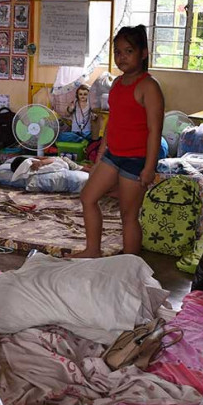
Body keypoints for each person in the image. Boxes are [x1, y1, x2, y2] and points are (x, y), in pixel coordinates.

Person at [71, 25, 164, 258]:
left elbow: (155, 131)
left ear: (143, 53)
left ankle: (129, 265)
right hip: (113, 156)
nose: (122, 57)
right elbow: (112, 122)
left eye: (128, 51)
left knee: (128, 215)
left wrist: (149, 168)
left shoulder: (149, 86)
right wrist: (100, 155)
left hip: (136, 160)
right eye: (118, 52)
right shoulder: (117, 84)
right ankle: (92, 250)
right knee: (88, 197)